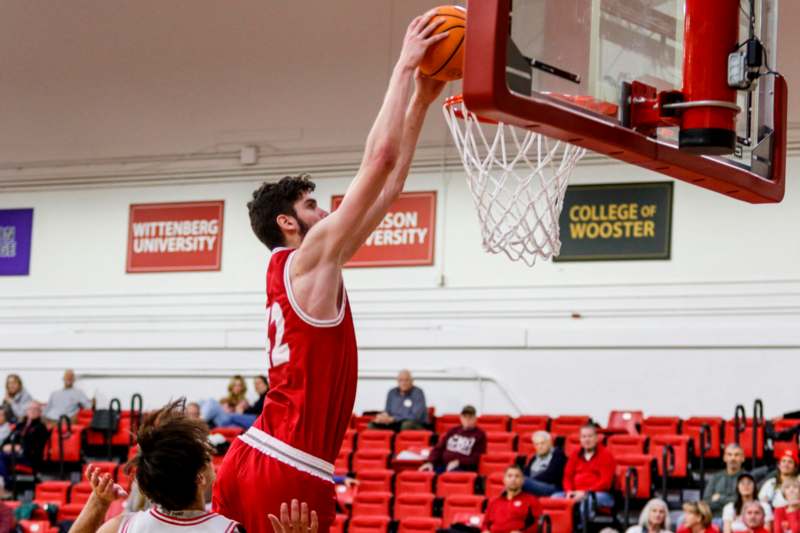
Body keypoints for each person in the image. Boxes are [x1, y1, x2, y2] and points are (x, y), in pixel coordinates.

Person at [212, 13, 449, 533]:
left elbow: (387, 189)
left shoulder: (300, 268)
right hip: (290, 467)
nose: (323, 212)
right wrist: (404, 67)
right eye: (311, 204)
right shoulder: (310, 255)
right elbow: (379, 159)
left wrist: (421, 103)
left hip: (252, 457)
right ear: (287, 222)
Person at [68, 400, 242, 533]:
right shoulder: (228, 529)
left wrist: (98, 503)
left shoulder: (125, 526)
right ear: (200, 477)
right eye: (207, 458)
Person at [554, 424, 616, 509]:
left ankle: (582, 523)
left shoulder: (606, 455)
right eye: (584, 437)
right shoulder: (575, 454)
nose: (587, 440)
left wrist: (585, 493)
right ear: (580, 439)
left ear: (596, 438)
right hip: (575, 492)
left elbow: (605, 482)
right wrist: (569, 491)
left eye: (590, 436)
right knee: (555, 498)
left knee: (586, 501)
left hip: (598, 494)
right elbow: (567, 477)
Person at [0, 401, 50, 491]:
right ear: (26, 411)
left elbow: (37, 448)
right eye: (30, 409)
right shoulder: (20, 425)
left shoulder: (41, 428)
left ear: (40, 412)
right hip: (14, 455)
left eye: (36, 409)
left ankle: (7, 485)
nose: (32, 411)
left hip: (30, 458)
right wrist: (5, 446)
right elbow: (7, 441)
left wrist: (20, 448)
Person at [420, 405, 486, 473]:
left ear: (475, 418)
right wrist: (430, 462)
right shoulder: (453, 431)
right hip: (444, 465)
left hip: (464, 468)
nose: (467, 420)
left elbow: (477, 457)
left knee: (452, 473)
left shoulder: (479, 434)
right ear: (460, 418)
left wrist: (459, 462)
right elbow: (439, 448)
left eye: (470, 417)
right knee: (425, 472)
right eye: (465, 417)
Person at [483, 465, 542, 533]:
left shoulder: (531, 500)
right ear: (504, 480)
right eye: (510, 476)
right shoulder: (494, 501)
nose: (513, 479)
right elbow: (485, 524)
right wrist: (485, 531)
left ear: (522, 480)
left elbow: (538, 524)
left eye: (517, 476)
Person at [706, 443, 748, 517]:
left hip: (737, 517)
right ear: (724, 458)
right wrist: (731, 499)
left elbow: (743, 501)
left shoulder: (747, 478)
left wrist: (719, 498)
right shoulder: (716, 477)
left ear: (743, 458)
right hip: (715, 517)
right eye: (729, 455)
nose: (733, 458)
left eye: (736, 455)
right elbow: (706, 501)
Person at [523, 431, 567, 496]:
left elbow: (552, 476)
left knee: (520, 481)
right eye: (536, 444)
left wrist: (531, 481)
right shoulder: (534, 457)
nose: (539, 447)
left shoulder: (558, 454)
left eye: (542, 443)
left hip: (552, 487)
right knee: (514, 478)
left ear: (550, 443)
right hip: (534, 485)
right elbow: (526, 472)